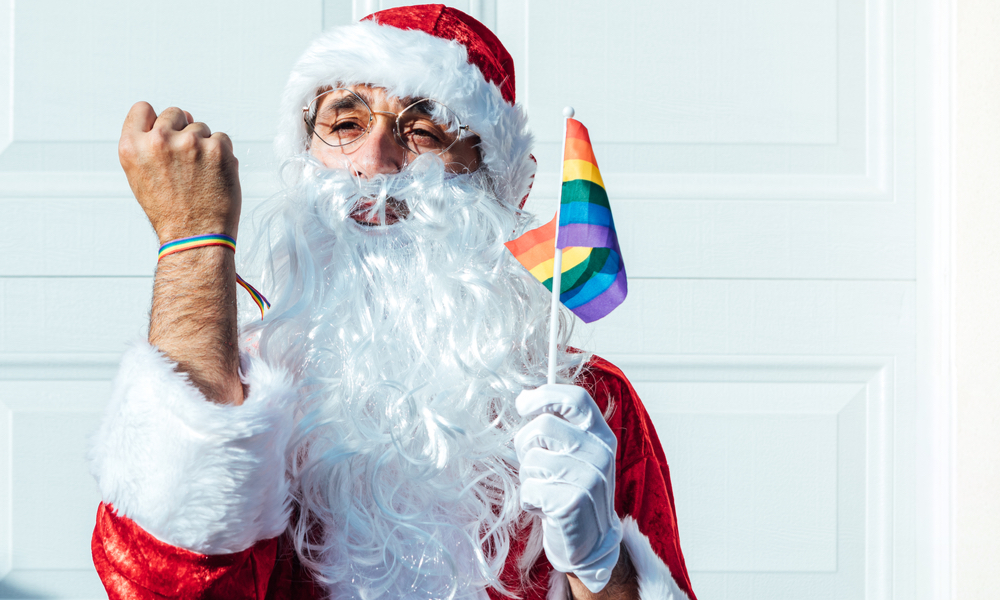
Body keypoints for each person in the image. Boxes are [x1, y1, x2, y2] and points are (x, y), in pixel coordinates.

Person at [88, 5, 695, 600]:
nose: (375, 163)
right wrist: (193, 240)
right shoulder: (241, 390)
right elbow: (161, 587)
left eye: (424, 132)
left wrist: (604, 569)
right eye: (346, 125)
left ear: (490, 183)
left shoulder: (583, 405)